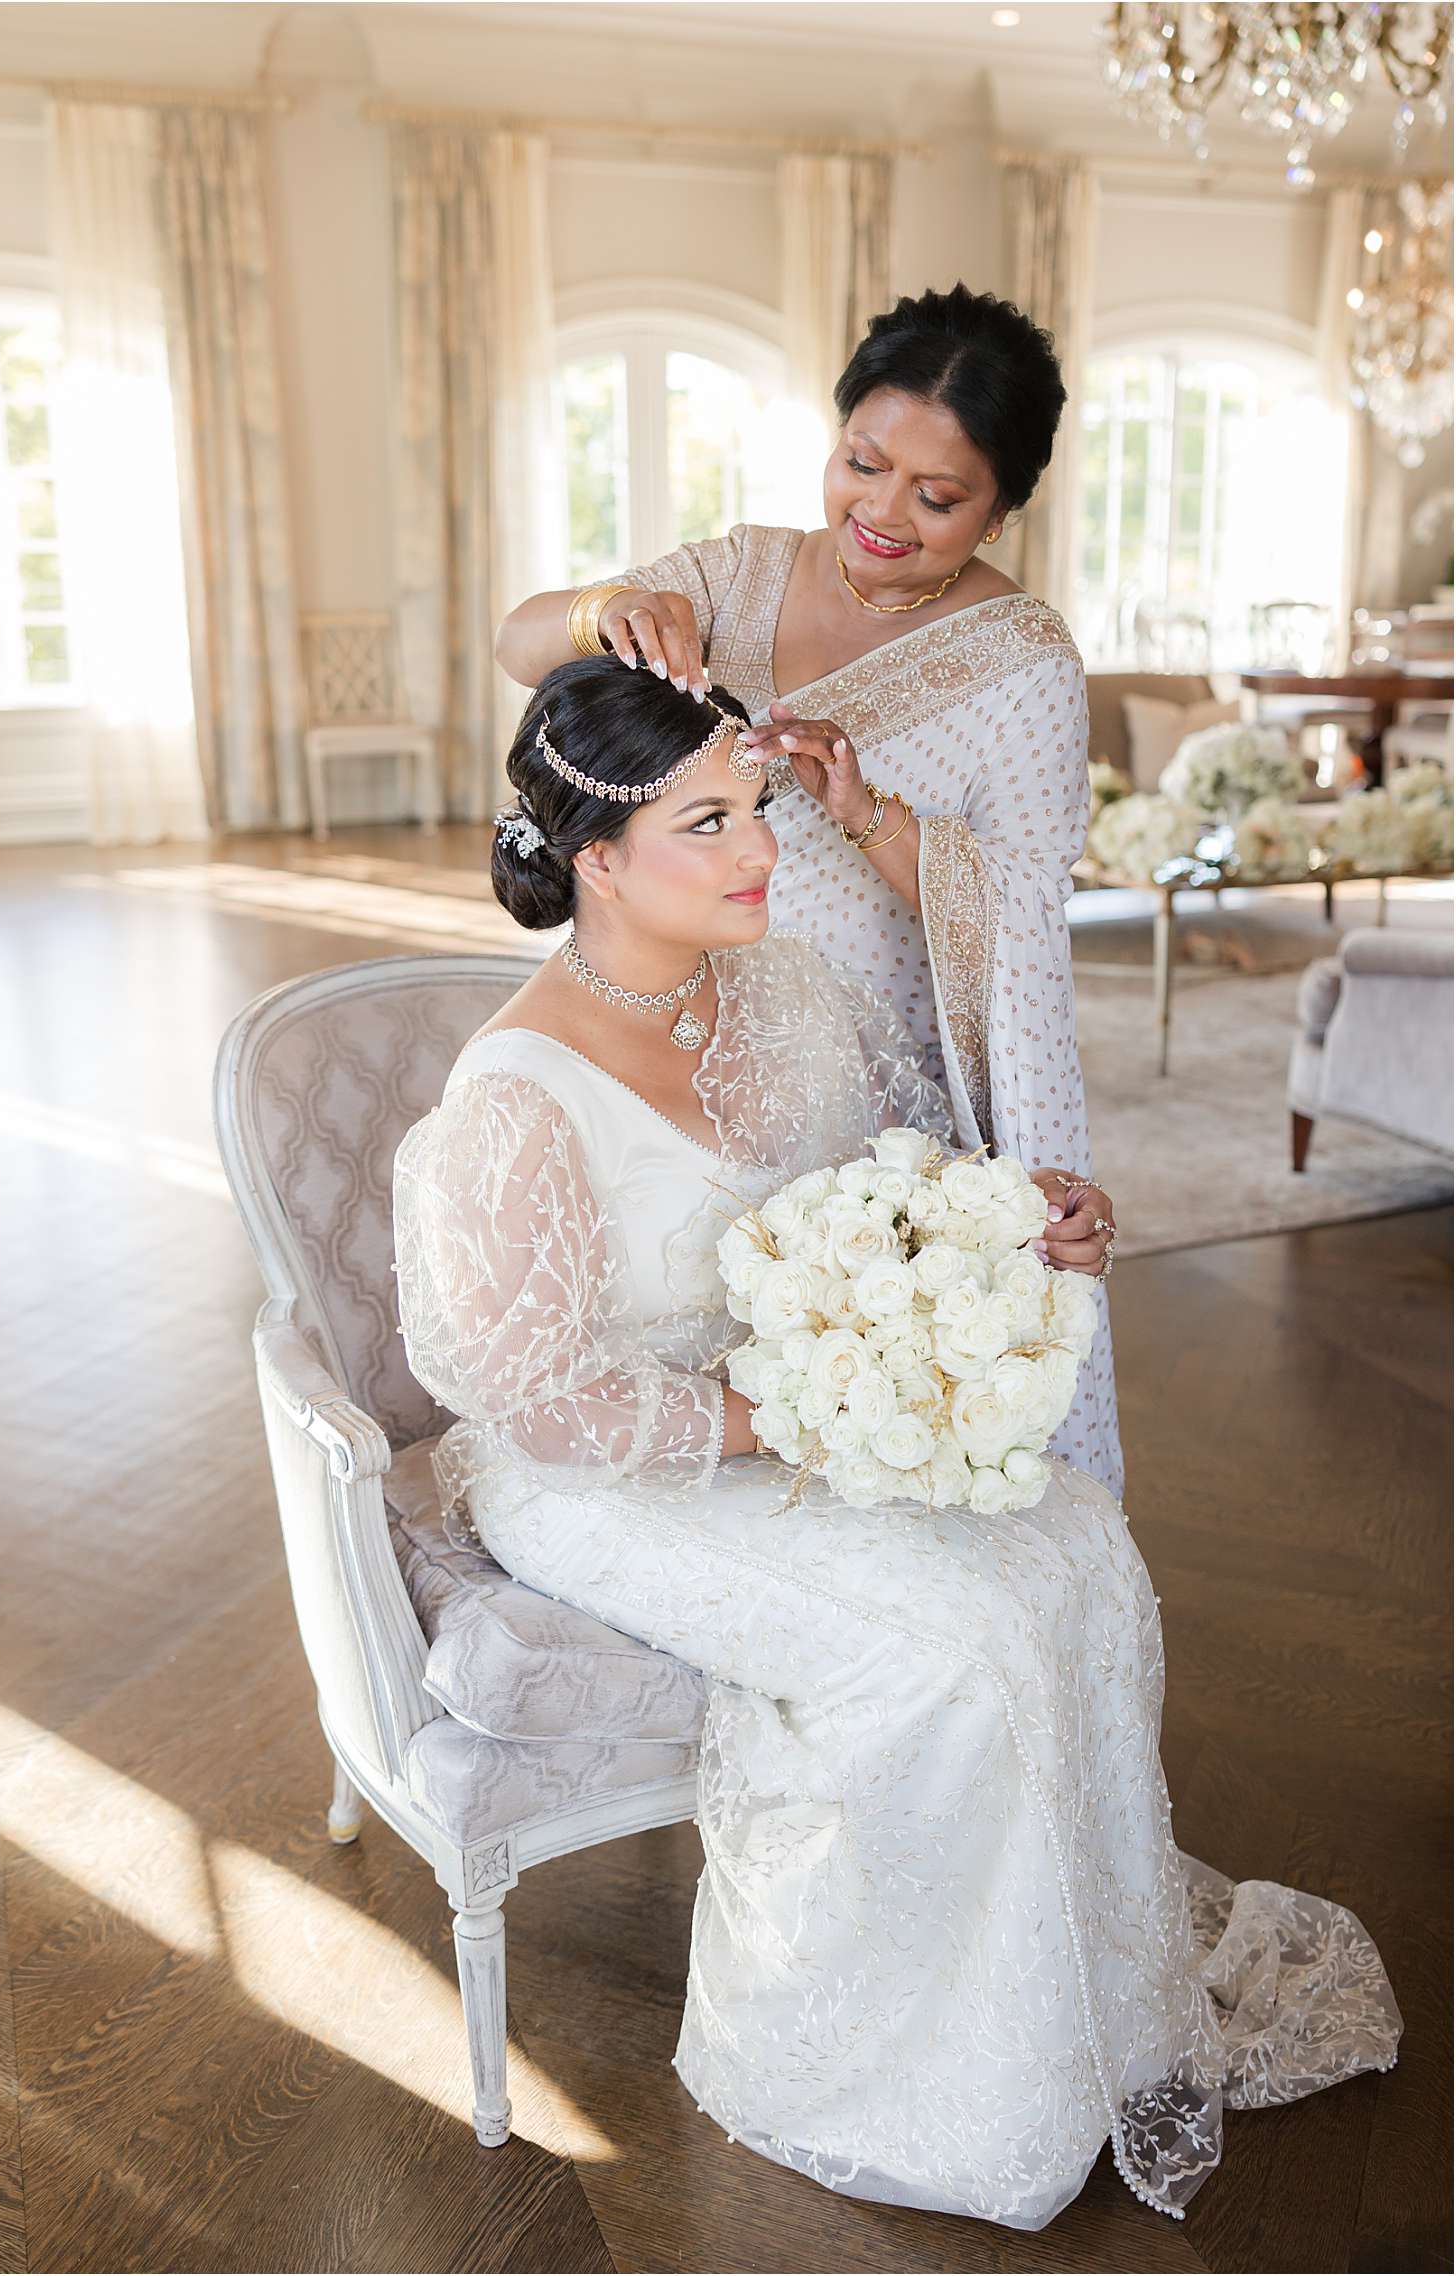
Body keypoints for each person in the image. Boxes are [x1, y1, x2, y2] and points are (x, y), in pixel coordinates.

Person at [392, 658, 1400, 2234]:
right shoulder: (512, 1093)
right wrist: (784, 1414)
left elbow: (894, 1182)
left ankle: (1074, 2021)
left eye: (759, 809)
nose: (761, 852)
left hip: (797, 1405)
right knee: (946, 1648)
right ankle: (892, 2077)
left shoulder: (782, 991)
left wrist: (1014, 1221)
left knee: (1074, 1542)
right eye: (709, 824)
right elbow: (539, 1399)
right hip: (609, 1471)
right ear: (596, 858)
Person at [496, 284, 1123, 1498]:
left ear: (1002, 508)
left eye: (936, 499)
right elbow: (525, 646)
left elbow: (1023, 918)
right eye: (861, 463)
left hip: (865, 1074)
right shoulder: (737, 575)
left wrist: (867, 814)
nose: (880, 514)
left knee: (858, 1358)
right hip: (667, 1013)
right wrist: (602, 610)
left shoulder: (1021, 663)